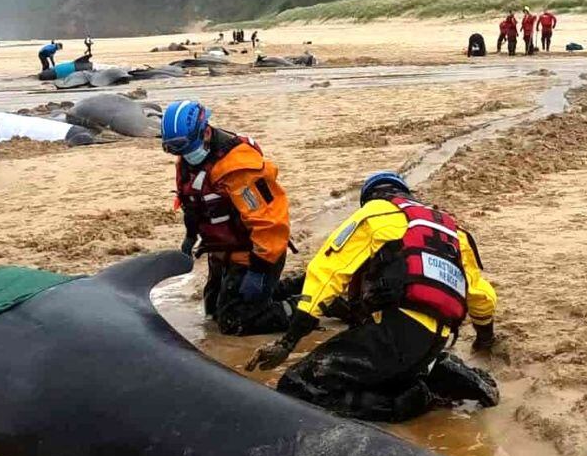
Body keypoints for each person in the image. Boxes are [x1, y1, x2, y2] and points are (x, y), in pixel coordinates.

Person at [246, 172, 498, 423]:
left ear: (370, 198)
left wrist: (288, 341)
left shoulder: (375, 213)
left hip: (395, 331)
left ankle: (414, 400)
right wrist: (485, 338)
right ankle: (434, 371)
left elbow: (327, 271)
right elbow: (481, 295)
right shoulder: (454, 231)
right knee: (384, 371)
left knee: (298, 386)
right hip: (436, 337)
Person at [161, 100, 294, 335]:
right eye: (173, 149)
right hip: (222, 252)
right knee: (212, 311)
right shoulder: (188, 161)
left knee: (235, 322)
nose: (181, 154)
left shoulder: (238, 169)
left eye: (184, 147)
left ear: (207, 132)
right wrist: (190, 238)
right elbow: (192, 204)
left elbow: (269, 221)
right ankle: (283, 290)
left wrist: (259, 268)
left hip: (256, 253)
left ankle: (304, 309)